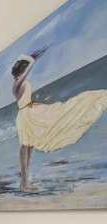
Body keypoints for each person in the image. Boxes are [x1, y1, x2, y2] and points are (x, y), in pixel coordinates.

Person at [11, 46, 107, 191]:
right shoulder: (16, 85)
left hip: (32, 111)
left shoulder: (23, 82)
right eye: (23, 69)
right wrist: (30, 61)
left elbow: (27, 95)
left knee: (32, 145)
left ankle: (24, 182)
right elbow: (26, 76)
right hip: (25, 116)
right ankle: (24, 183)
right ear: (20, 71)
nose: (25, 72)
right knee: (25, 147)